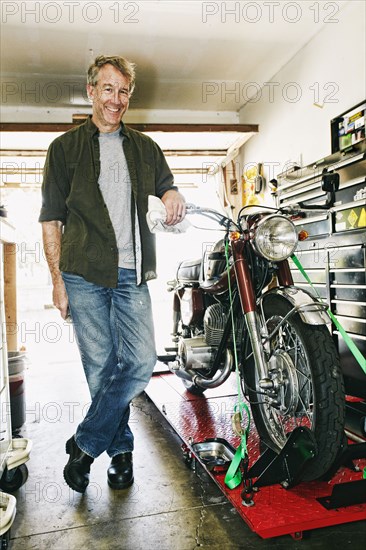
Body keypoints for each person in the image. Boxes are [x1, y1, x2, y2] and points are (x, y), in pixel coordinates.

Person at [39, 55, 186, 493]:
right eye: (108, 89)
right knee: (102, 369)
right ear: (90, 91)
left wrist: (173, 192)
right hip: (83, 273)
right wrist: (56, 281)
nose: (116, 100)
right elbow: (51, 220)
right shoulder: (64, 150)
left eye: (123, 92)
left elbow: (166, 186)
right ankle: (121, 452)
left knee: (140, 361)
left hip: (132, 274)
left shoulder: (145, 147)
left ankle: (85, 443)